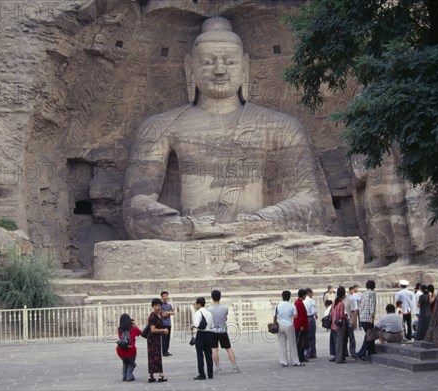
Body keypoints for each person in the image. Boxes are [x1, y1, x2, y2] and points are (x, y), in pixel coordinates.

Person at [122, 16, 330, 242]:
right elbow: (136, 204)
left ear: (245, 67)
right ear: (190, 68)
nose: (219, 70)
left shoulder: (283, 126)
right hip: (190, 237)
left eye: (230, 62)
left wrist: (258, 222)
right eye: (208, 62)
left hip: (256, 238)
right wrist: (180, 226)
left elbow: (309, 203)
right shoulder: (160, 127)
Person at [209, 290, 239, 373]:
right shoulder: (225, 308)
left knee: (214, 350)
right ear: (220, 297)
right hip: (223, 331)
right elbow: (225, 318)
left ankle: (218, 368)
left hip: (213, 331)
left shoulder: (209, 309)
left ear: (212, 298)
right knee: (228, 349)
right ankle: (234, 366)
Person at [274, 290, 303, 367]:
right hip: (289, 325)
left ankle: (284, 362)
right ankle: (295, 361)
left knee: (282, 344)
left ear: (282, 297)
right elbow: (295, 316)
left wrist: (274, 323)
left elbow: (275, 316)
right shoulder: (292, 306)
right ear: (289, 297)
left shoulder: (278, 305)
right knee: (292, 344)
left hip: (280, 325)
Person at [192, 297, 215, 380]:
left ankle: (202, 374)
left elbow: (196, 324)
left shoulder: (198, 313)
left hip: (201, 334)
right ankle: (210, 373)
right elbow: (212, 325)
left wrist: (192, 326)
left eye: (196, 304)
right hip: (209, 334)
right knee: (209, 354)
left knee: (200, 355)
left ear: (199, 304)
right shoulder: (209, 313)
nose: (195, 306)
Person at [147, 298, 169, 383]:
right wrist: (163, 330)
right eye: (155, 306)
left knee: (155, 356)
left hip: (157, 338)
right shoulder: (152, 316)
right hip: (152, 339)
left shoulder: (160, 314)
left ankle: (151, 375)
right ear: (153, 306)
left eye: (159, 305)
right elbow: (153, 329)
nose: (157, 307)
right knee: (154, 356)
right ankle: (160, 375)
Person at [116, 314, 141, 382]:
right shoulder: (133, 329)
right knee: (131, 363)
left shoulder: (119, 329)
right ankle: (129, 376)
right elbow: (140, 333)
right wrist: (135, 325)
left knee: (125, 362)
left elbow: (120, 337)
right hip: (131, 349)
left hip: (120, 350)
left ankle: (124, 376)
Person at [357, 280, 377, 360]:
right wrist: (372, 317)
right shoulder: (372, 293)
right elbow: (372, 305)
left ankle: (371, 350)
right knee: (369, 335)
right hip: (368, 318)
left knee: (369, 335)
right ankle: (361, 353)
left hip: (362, 317)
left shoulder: (363, 294)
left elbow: (361, 306)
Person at [331, 287, 347, 364]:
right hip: (340, 326)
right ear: (343, 295)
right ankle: (339, 359)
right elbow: (341, 315)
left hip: (333, 325)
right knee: (340, 343)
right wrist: (346, 316)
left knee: (336, 342)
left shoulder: (334, 303)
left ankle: (337, 357)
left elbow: (332, 313)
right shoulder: (341, 304)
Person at [293, 289, 310, 363]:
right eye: (305, 295)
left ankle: (301, 356)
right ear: (303, 295)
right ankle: (301, 357)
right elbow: (301, 316)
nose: (306, 296)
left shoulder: (298, 302)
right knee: (301, 342)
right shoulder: (299, 303)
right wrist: (302, 325)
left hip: (300, 325)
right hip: (301, 326)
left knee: (302, 341)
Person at [303, 288, 318, 359]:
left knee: (306, 336)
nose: (312, 294)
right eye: (312, 293)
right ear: (309, 293)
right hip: (310, 318)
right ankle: (312, 353)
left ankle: (307, 352)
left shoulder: (303, 301)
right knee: (312, 337)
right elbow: (313, 311)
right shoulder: (311, 301)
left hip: (305, 319)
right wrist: (316, 316)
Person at [160, 291, 175, 357]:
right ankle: (164, 352)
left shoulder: (169, 305)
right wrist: (169, 312)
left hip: (169, 324)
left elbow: (173, 313)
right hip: (163, 324)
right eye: (164, 296)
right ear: (162, 297)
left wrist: (167, 312)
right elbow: (163, 315)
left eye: (166, 296)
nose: (165, 297)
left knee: (168, 338)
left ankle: (167, 351)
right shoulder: (160, 305)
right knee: (164, 339)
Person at [344, 286, 358, 358]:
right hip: (343, 322)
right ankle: (345, 352)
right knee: (344, 338)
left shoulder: (349, 300)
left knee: (351, 337)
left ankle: (352, 352)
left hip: (349, 321)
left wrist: (353, 321)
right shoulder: (339, 301)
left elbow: (353, 312)